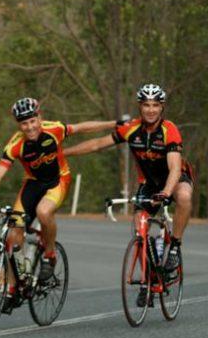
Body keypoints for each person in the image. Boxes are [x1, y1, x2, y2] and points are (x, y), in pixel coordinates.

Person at [0, 97, 118, 312]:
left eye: (33, 121)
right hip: (32, 185)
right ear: (19, 125)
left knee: (43, 211)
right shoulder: (15, 145)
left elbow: (83, 128)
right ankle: (13, 289)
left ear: (40, 117)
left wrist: (113, 124)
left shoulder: (53, 129)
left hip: (58, 180)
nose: (30, 127)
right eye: (24, 123)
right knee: (11, 237)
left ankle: (50, 255)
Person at [63, 84, 194, 307]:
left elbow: (174, 168)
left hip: (176, 179)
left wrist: (165, 192)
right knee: (140, 226)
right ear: (140, 107)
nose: (150, 110)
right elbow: (97, 144)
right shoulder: (131, 129)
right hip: (149, 184)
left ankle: (174, 246)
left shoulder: (169, 130)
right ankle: (148, 280)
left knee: (183, 196)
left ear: (161, 107)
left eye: (155, 105)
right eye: (146, 105)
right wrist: (63, 153)